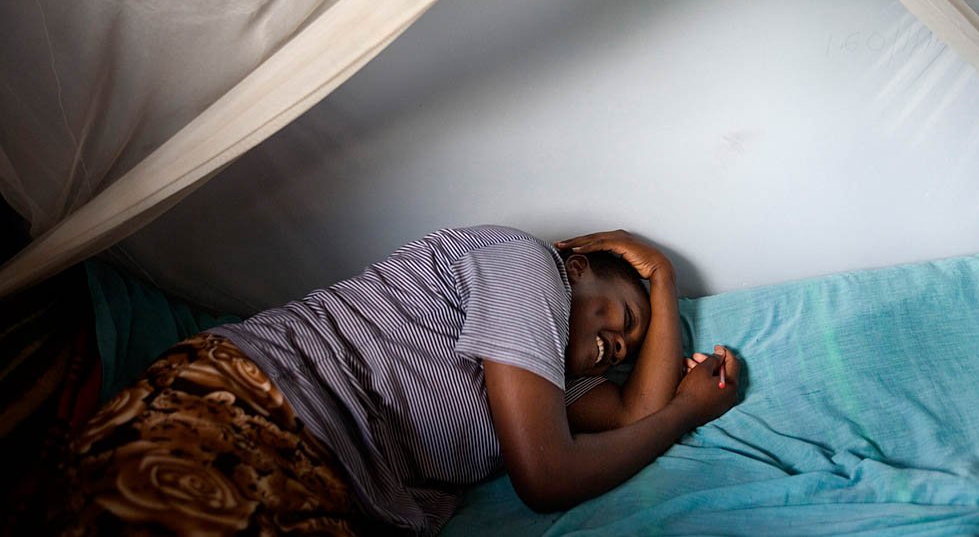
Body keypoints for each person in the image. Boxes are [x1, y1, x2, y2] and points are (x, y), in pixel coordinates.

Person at [51, 226, 740, 536]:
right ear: (575, 263)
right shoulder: (526, 264)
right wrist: (683, 410)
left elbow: (636, 415)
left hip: (328, 477)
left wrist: (663, 298)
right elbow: (548, 478)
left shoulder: (548, 388)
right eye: (614, 319)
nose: (610, 347)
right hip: (256, 402)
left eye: (621, 347)